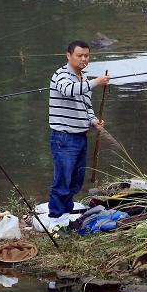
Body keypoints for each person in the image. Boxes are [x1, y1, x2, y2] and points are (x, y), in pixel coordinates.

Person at [48, 41, 110, 223]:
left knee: (76, 179)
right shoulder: (61, 75)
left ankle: (66, 214)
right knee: (62, 179)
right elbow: (68, 91)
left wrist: (93, 121)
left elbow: (86, 106)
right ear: (68, 56)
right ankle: (55, 217)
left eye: (86, 56)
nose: (84, 59)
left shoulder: (83, 78)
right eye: (79, 55)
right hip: (64, 137)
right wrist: (96, 82)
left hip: (80, 136)